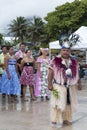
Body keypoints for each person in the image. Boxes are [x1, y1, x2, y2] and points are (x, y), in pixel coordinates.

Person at [48, 43, 81, 127]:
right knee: (56, 103)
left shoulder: (74, 61)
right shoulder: (55, 60)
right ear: (61, 51)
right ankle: (54, 120)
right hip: (58, 85)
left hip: (70, 86)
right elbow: (51, 72)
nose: (65, 52)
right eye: (63, 50)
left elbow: (77, 73)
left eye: (67, 50)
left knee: (68, 103)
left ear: (69, 51)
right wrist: (49, 84)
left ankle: (67, 119)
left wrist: (79, 83)